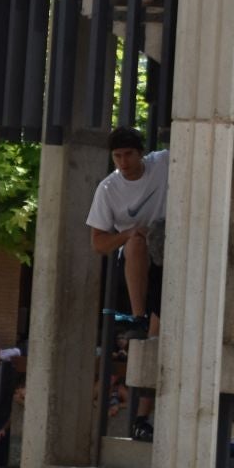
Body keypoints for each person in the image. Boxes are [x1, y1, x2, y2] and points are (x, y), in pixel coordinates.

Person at [88, 124, 169, 349]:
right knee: (135, 244)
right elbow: (98, 243)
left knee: (160, 328)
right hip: (138, 260)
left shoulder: (162, 162)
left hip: (170, 247)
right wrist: (128, 233)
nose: (123, 162)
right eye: (117, 156)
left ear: (141, 152)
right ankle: (138, 317)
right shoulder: (107, 189)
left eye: (129, 154)